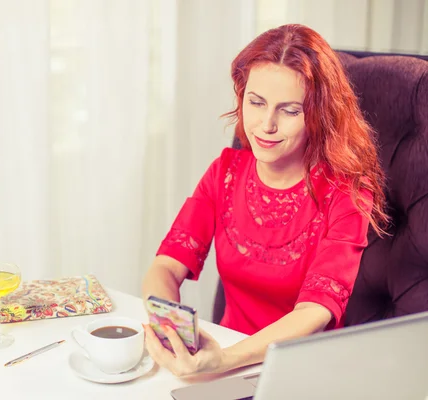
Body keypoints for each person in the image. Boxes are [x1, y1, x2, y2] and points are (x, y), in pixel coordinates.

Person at [141, 24, 389, 378]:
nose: (266, 124)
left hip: (301, 374)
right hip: (222, 363)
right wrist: (172, 330)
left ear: (319, 115)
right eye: (256, 102)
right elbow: (165, 267)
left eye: (289, 111)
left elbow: (313, 313)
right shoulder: (225, 172)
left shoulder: (348, 192)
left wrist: (222, 360)